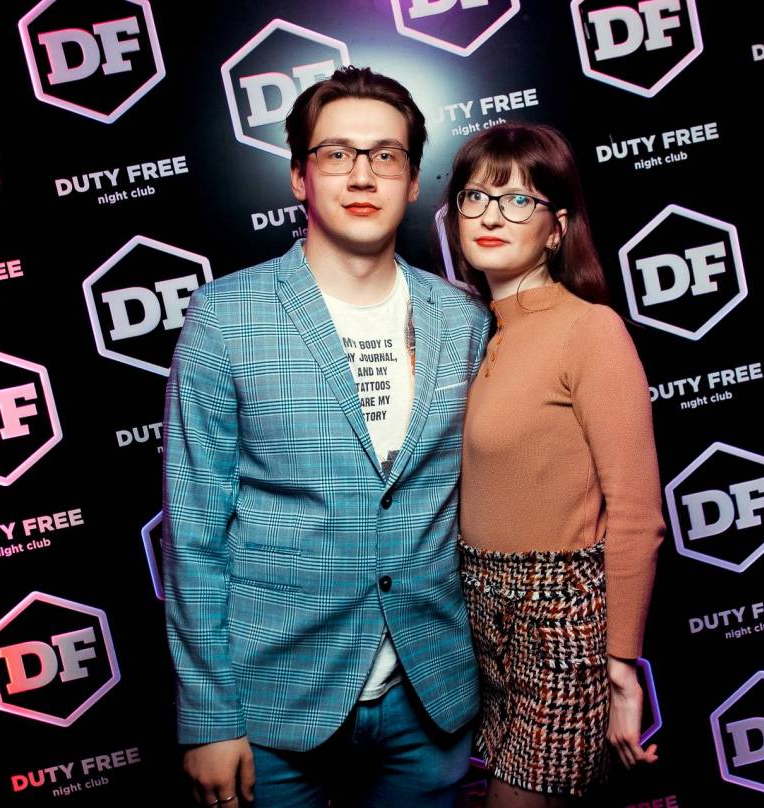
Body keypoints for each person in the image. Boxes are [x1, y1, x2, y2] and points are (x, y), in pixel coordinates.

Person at [162, 66, 491, 807]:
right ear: (298, 177)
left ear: (413, 181)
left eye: (386, 155)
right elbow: (193, 531)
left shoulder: (464, 319)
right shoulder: (225, 317)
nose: (362, 174)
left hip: (430, 700)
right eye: (337, 153)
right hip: (274, 704)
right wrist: (208, 717)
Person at [443, 123, 667, 805]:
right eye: (475, 197)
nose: (490, 216)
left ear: (556, 229)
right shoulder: (473, 335)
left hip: (560, 620)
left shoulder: (588, 329)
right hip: (479, 618)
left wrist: (621, 670)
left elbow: (637, 516)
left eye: (518, 201)